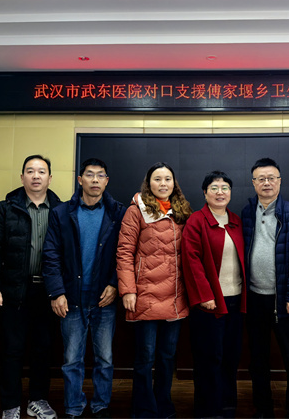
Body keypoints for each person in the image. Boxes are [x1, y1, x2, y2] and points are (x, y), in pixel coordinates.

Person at [42, 158, 126, 419]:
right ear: (80, 180)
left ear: (106, 181)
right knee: (71, 360)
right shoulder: (61, 213)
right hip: (71, 298)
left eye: (100, 175)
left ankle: (101, 406)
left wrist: (115, 284)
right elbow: (51, 255)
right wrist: (56, 292)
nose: (95, 180)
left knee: (105, 359)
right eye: (89, 175)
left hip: (104, 299)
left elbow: (126, 254)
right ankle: (74, 408)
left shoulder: (118, 213)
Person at [0, 155, 62, 419]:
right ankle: (11, 404)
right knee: (12, 349)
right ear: (22, 177)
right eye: (30, 171)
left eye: (41, 171)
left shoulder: (61, 209)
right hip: (14, 289)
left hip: (48, 291)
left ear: (50, 177)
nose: (36, 176)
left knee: (43, 349)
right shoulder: (6, 209)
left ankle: (38, 399)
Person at [116, 162, 192, 418]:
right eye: (157, 179)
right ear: (148, 183)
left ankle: (164, 406)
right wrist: (128, 290)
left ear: (174, 183)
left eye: (167, 179)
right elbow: (124, 252)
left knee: (167, 357)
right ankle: (144, 410)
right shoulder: (135, 210)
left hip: (175, 296)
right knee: (145, 358)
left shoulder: (182, 211)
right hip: (144, 295)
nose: (163, 183)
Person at [241, 157, 289, 418]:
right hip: (255, 299)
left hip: (285, 299)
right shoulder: (246, 212)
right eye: (261, 179)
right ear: (253, 183)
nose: (266, 183)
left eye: (271, 178)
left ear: (280, 181)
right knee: (257, 360)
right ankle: (263, 409)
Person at [181, 171, 246, 418]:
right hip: (209, 303)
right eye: (214, 188)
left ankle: (227, 406)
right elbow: (192, 261)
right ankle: (208, 410)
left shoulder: (236, 220)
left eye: (225, 188)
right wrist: (205, 295)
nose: (220, 192)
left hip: (236, 300)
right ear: (205, 192)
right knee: (210, 358)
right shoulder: (196, 221)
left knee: (230, 356)